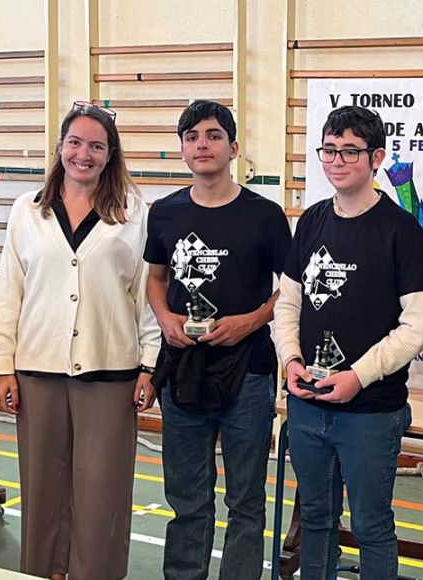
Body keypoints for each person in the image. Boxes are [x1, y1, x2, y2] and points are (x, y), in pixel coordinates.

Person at [0, 102, 160, 580]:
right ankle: (45, 572)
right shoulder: (27, 211)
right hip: (37, 369)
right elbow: (9, 292)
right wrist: (4, 365)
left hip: (110, 371)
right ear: (61, 146)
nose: (84, 154)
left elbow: (146, 294)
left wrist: (149, 365)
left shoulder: (133, 213)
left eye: (96, 146)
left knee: (101, 490)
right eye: (75, 142)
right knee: (43, 485)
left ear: (111, 155)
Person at [273, 105, 423, 579]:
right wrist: (291, 362)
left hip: (371, 410)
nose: (337, 160)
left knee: (371, 526)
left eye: (350, 151)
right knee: (317, 522)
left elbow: (420, 325)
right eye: (329, 149)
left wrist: (357, 377)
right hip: (308, 402)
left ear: (377, 158)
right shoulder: (312, 221)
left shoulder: (402, 230)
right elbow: (288, 304)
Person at [144, 100, 291, 580]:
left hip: (248, 371)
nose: (201, 144)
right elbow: (155, 279)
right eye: (191, 137)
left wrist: (250, 321)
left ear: (233, 147)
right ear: (183, 149)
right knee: (187, 496)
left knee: (246, 499)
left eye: (211, 135)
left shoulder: (265, 215)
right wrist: (165, 318)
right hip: (183, 370)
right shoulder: (164, 213)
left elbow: (291, 289)